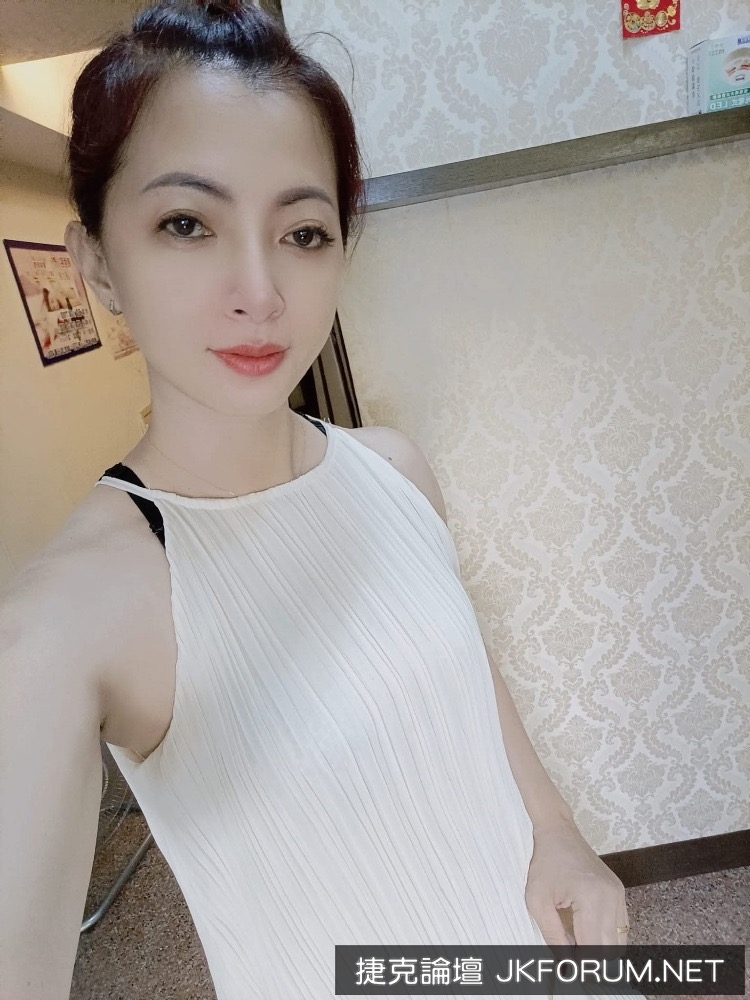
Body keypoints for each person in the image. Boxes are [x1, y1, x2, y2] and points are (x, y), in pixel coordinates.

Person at [0, 3, 637, 999]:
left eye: (302, 231)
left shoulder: (394, 469)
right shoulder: (66, 613)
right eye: (186, 223)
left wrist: (558, 833)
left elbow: (467, 682)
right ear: (97, 265)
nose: (259, 291)